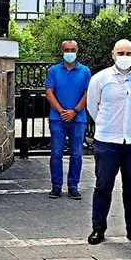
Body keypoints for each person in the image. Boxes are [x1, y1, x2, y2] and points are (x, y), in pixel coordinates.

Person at [86, 39, 131, 247]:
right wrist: (107, 126)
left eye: (128, 52)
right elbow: (92, 106)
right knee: (103, 186)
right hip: (107, 141)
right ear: (112, 54)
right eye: (120, 52)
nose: (124, 56)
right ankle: (98, 228)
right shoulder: (100, 79)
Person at [44, 40, 91, 199]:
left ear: (77, 51)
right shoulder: (53, 71)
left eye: (72, 49)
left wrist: (75, 111)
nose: (69, 52)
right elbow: (49, 92)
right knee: (56, 153)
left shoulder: (85, 71)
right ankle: (56, 185)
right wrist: (61, 111)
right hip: (57, 119)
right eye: (66, 49)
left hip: (78, 119)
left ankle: (73, 185)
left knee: (76, 154)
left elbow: (87, 93)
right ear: (62, 51)